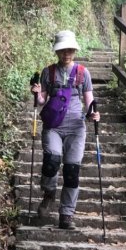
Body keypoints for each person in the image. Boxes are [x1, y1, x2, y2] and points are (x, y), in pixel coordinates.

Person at [30, 30, 100, 229]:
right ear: (57, 51)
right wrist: (36, 93)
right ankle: (49, 192)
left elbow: (89, 100)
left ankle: (66, 213)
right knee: (51, 161)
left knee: (71, 171)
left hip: (76, 127)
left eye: (69, 49)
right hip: (53, 125)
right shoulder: (48, 72)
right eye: (62, 50)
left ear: (74, 50)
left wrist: (94, 113)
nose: (66, 53)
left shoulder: (82, 72)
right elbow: (42, 100)